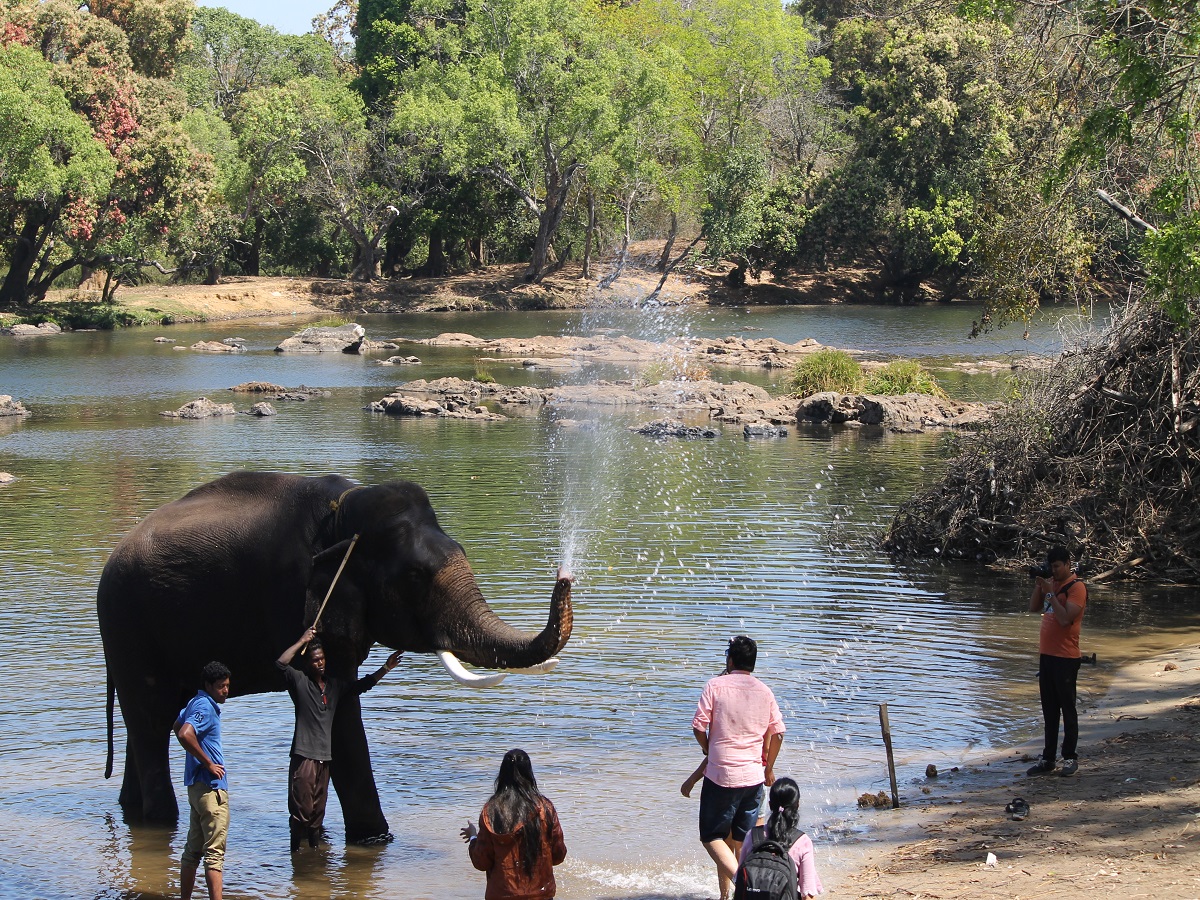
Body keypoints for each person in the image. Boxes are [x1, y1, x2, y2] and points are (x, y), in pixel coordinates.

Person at [276, 627, 403, 850]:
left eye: (322, 659)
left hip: (325, 758)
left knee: (316, 814)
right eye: (315, 660)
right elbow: (281, 664)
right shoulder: (299, 683)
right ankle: (295, 855)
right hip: (304, 757)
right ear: (307, 663)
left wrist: (386, 667)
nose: (320, 663)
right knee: (301, 814)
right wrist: (302, 640)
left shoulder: (334, 687)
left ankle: (313, 857)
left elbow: (361, 686)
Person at [692, 635, 786, 900]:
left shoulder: (715, 686)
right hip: (754, 777)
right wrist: (769, 769)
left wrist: (709, 749)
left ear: (730, 660)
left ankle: (745, 885)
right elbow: (778, 734)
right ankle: (741, 890)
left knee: (711, 837)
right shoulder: (764, 691)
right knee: (743, 842)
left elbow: (699, 726)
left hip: (720, 776)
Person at [460, 748, 567, 900]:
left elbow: (481, 861)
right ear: (529, 773)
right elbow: (558, 855)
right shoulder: (545, 808)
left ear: (502, 775)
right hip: (541, 895)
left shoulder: (491, 811)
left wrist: (473, 837)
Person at [1026, 545, 1088, 777]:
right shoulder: (1051, 585)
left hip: (1066, 658)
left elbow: (1065, 620)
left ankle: (1070, 757)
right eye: (1051, 567)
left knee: (1067, 709)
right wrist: (1039, 587)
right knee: (1049, 711)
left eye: (1057, 566)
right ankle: (1048, 758)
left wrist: (1051, 592)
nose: (1054, 571)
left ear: (1067, 565)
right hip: (1047, 656)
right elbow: (1033, 608)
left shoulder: (1077, 588)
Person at [173, 661, 232, 900]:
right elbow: (184, 733)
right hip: (211, 789)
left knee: (192, 852)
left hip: (196, 789)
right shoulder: (206, 707)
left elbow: (178, 724)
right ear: (208, 686)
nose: (226, 690)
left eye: (227, 685)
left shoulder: (195, 702)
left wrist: (197, 757)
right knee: (214, 854)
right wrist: (208, 763)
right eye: (221, 686)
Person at [735, 777, 823, 900]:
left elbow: (738, 879)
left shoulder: (752, 835)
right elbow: (807, 894)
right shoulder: (802, 841)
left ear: (770, 805)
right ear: (797, 805)